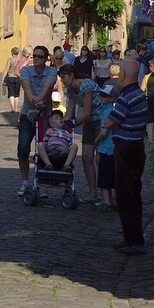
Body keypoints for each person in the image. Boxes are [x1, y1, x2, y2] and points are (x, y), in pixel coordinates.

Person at [95, 58, 149, 253]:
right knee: (132, 192)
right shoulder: (138, 94)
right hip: (135, 146)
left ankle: (134, 241)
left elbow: (111, 121)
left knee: (126, 194)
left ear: (124, 74)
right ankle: (132, 238)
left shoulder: (126, 97)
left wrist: (111, 123)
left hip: (126, 148)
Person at [59, 64, 106, 206]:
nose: (62, 80)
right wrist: (62, 125)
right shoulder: (71, 89)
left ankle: (107, 193)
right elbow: (70, 110)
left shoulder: (86, 86)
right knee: (86, 157)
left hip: (101, 121)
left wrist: (72, 125)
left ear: (72, 75)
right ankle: (93, 193)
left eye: (63, 77)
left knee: (100, 159)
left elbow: (86, 112)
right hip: (90, 124)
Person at [17, 46, 57, 197]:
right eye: (35, 56)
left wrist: (39, 99)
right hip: (28, 114)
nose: (37, 59)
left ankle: (38, 182)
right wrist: (34, 100)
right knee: (23, 148)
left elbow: (48, 86)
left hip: (45, 116)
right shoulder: (26, 70)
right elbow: (26, 87)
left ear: (46, 58)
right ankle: (24, 182)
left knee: (44, 150)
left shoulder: (51, 71)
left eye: (40, 56)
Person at [96, 84, 117, 208]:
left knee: (104, 177)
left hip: (107, 148)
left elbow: (104, 131)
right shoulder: (107, 109)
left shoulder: (109, 111)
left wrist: (96, 140)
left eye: (104, 96)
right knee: (111, 176)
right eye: (101, 95)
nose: (101, 98)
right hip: (110, 148)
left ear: (112, 98)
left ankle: (107, 202)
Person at [2, 47, 23, 112]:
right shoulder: (20, 60)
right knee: (17, 94)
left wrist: (3, 78)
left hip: (10, 77)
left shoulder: (10, 60)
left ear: (12, 53)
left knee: (11, 93)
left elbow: (6, 69)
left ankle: (12, 108)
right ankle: (16, 109)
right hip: (18, 78)